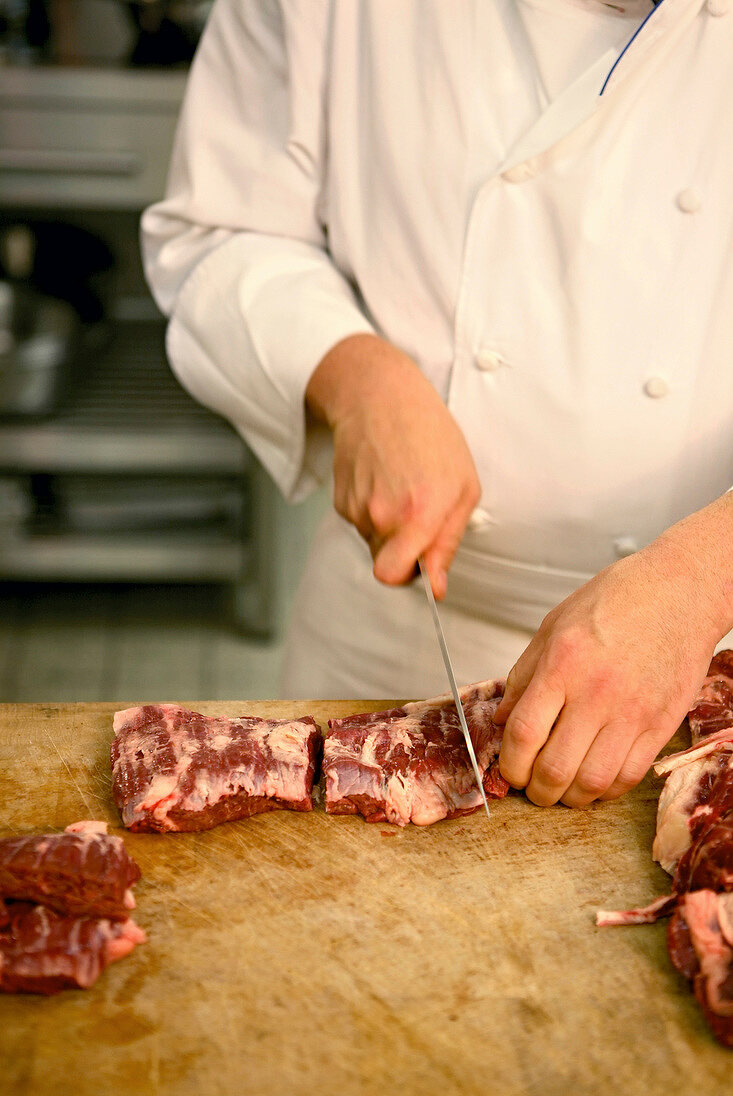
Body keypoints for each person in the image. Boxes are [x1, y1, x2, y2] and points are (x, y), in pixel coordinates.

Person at [141, 0, 733, 809]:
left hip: (706, 657)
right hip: (406, 623)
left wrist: (700, 579)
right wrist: (355, 375)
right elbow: (219, 228)